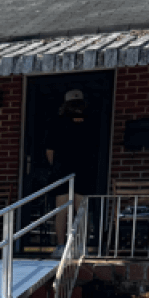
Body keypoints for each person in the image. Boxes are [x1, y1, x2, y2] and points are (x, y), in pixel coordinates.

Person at [44, 89, 93, 257]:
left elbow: (49, 151)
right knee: (80, 211)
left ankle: (61, 246)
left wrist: (57, 166)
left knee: (63, 210)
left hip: (63, 171)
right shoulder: (89, 123)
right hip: (82, 171)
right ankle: (80, 246)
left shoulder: (57, 123)